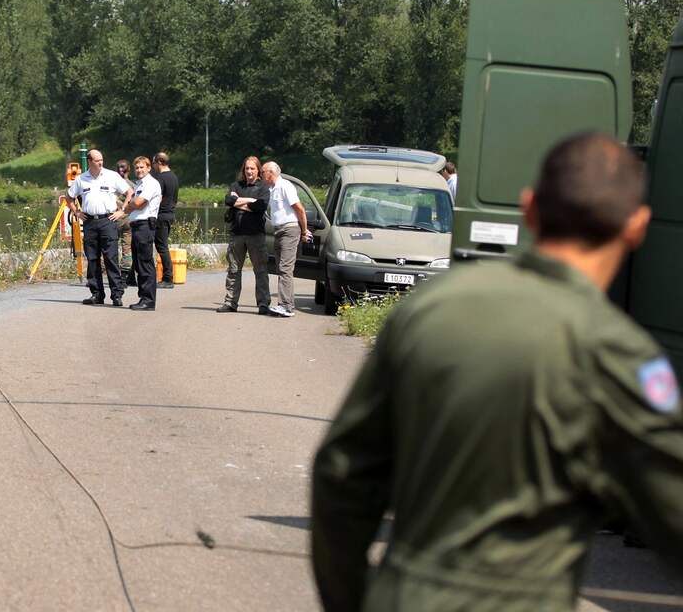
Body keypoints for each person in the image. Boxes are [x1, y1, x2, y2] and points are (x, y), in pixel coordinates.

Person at [311, 132, 683, 612]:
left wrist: (355, 601)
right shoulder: (620, 353)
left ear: (530, 209)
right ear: (637, 227)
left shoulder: (429, 309)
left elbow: (342, 476)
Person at [64, 149, 131, 307]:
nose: (101, 163)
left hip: (107, 220)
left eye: (102, 159)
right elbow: (69, 197)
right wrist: (76, 212)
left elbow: (129, 192)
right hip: (89, 222)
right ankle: (97, 294)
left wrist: (122, 211)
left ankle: (116, 295)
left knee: (111, 258)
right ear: (89, 162)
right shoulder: (81, 179)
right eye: (97, 160)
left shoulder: (111, 176)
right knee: (93, 259)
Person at [218, 156, 272, 314]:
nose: (249, 171)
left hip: (256, 235)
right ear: (244, 170)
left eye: (252, 168)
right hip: (237, 235)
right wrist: (249, 201)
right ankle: (230, 303)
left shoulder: (263, 187)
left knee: (260, 270)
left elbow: (260, 206)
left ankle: (263, 304)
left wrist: (239, 201)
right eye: (247, 168)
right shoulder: (236, 185)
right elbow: (229, 200)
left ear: (258, 170)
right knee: (233, 270)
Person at [261, 161, 312, 318]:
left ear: (271, 173)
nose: (261, 175)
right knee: (281, 268)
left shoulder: (285, 186)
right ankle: (285, 304)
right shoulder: (272, 188)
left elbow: (299, 209)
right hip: (279, 230)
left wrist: (304, 231)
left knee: (285, 268)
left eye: (262, 172)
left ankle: (286, 306)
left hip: (289, 229)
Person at [122, 156, 162, 311]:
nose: (139, 170)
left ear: (149, 168)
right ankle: (143, 297)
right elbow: (135, 204)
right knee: (139, 264)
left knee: (145, 264)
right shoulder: (140, 185)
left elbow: (138, 203)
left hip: (145, 226)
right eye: (137, 167)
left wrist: (131, 205)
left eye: (142, 167)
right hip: (137, 226)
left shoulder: (151, 183)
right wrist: (132, 204)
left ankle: (148, 300)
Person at [152, 152, 179, 289]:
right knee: (161, 245)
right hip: (170, 214)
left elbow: (158, 197)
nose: (153, 166)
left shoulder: (160, 178)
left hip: (161, 215)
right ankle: (133, 275)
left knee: (162, 247)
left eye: (154, 163)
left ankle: (168, 278)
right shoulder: (174, 177)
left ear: (159, 162)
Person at [115, 159, 134, 285]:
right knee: (127, 248)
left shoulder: (115, 184)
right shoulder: (133, 184)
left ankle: (116, 275)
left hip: (115, 219)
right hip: (129, 220)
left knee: (111, 247)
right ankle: (125, 276)